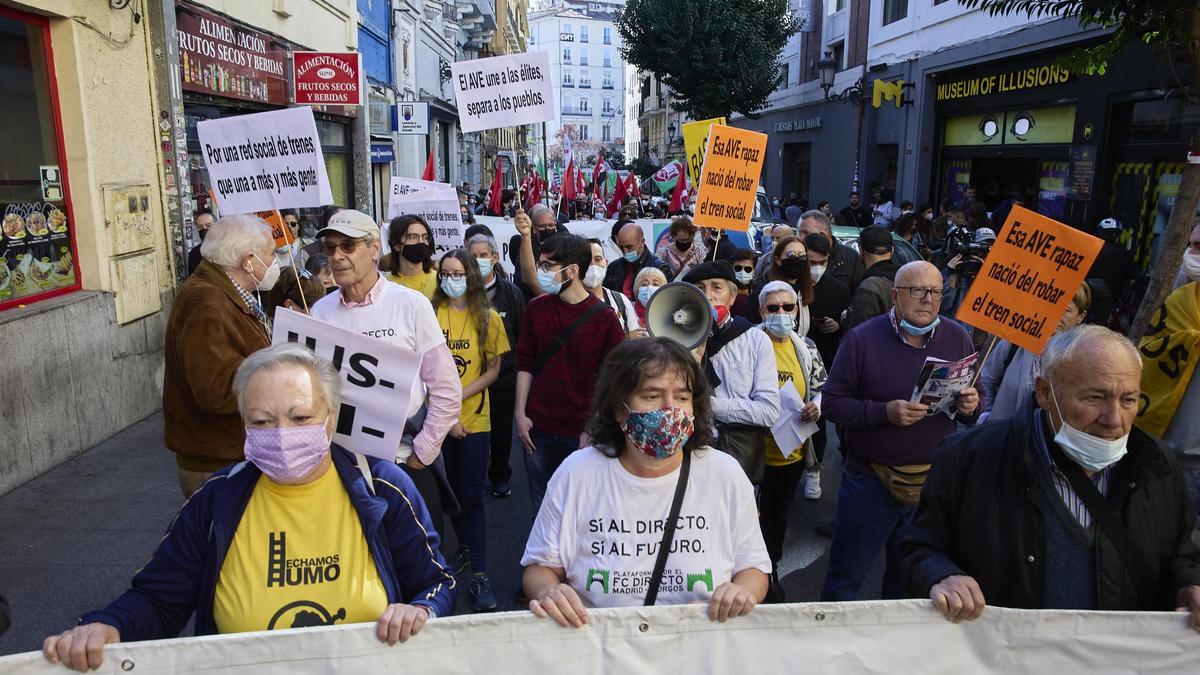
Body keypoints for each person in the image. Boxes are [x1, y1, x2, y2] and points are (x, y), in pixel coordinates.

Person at [42, 344, 457, 672]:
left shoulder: (383, 489)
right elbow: (158, 599)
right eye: (261, 421)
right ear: (243, 424)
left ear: (330, 419)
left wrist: (421, 608)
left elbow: (436, 581)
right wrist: (107, 625)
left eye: (299, 417)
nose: (281, 434)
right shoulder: (217, 500)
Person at [902, 326, 1200, 628]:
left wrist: (1188, 583)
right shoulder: (970, 457)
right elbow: (919, 546)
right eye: (1095, 397)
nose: (1114, 419)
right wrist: (940, 576)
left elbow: (1183, 554)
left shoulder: (1157, 465)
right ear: (1045, 392)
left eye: (1128, 400)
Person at [520, 338, 771, 625]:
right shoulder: (578, 473)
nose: (670, 410)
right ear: (618, 408)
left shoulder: (724, 474)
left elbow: (754, 568)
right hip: (603, 649)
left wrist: (740, 592)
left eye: (682, 397)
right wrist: (549, 591)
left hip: (699, 649)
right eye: (652, 396)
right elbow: (540, 567)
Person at [820, 261, 979, 601]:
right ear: (894, 295)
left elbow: (969, 411)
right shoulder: (862, 339)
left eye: (935, 292)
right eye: (916, 290)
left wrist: (971, 406)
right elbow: (832, 404)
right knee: (846, 579)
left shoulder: (957, 337)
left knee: (908, 582)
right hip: (870, 482)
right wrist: (883, 413)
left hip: (930, 484)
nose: (926, 299)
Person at [311, 209, 461, 532]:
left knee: (418, 567)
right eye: (330, 248)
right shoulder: (320, 312)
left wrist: (421, 453)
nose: (337, 256)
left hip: (405, 465)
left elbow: (446, 387)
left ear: (374, 248)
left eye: (348, 246)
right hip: (344, 469)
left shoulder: (410, 305)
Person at [164, 214, 276, 498]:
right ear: (248, 261)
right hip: (218, 460)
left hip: (226, 454)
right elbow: (215, 390)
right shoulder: (208, 303)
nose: (275, 262)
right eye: (271, 254)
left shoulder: (220, 293)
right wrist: (277, 378)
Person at [515, 233, 626, 515]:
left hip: (583, 432)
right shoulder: (535, 310)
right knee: (543, 511)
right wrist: (520, 414)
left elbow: (612, 380)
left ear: (572, 270)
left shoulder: (605, 318)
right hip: (538, 429)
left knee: (583, 511)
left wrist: (594, 426)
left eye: (547, 266)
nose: (541, 272)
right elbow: (525, 363)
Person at [431, 250, 510, 612]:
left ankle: (480, 574)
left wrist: (457, 397)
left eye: (458, 272)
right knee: (444, 498)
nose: (451, 279)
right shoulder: (429, 315)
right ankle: (454, 554)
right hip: (434, 422)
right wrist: (445, 411)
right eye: (445, 273)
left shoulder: (488, 318)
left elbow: (493, 370)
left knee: (471, 495)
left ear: (472, 276)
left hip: (474, 421)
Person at [683, 262, 781, 485]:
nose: (708, 295)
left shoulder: (755, 340)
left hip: (738, 454)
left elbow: (768, 411)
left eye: (716, 287)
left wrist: (709, 405)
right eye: (699, 288)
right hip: (689, 454)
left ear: (732, 297)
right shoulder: (677, 339)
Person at [757, 282, 827, 589]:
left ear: (797, 310)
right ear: (762, 311)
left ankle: (770, 572)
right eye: (773, 308)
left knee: (775, 518)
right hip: (753, 452)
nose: (782, 313)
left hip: (791, 452)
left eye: (788, 307)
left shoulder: (807, 347)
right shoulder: (748, 343)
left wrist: (816, 407)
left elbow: (822, 387)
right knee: (746, 518)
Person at [1137, 259, 1200, 513]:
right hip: (1169, 451)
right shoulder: (1180, 301)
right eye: (1192, 245)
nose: (1191, 254)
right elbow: (1149, 354)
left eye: (1199, 247)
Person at [467, 234, 525, 499]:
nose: (479, 261)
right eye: (473, 256)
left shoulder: (510, 293)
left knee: (501, 432)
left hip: (503, 376)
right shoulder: (460, 293)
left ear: (494, 257)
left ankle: (500, 475)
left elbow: (520, 333)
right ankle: (472, 478)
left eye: (483, 255)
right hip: (470, 375)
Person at [980, 283, 1091, 423]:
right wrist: (985, 418)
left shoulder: (1082, 357)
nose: (1056, 316)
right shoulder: (1015, 341)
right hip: (999, 436)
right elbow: (985, 380)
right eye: (1053, 307)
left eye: (1066, 310)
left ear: (1080, 316)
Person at [747, 235, 814, 326]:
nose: (797, 259)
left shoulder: (804, 290)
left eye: (802, 256)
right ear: (778, 259)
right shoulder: (764, 290)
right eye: (791, 255)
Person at [843, 226, 900, 332]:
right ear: (892, 251)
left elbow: (858, 334)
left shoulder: (869, 287)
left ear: (861, 251)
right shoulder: (905, 279)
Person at [1086, 217, 1138, 325]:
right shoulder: (1123, 252)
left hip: (1087, 294)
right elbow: (1132, 274)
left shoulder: (1090, 248)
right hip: (1111, 299)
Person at [584, 238, 640, 337]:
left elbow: (633, 340)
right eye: (586, 261)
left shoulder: (620, 300)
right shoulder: (569, 304)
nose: (593, 265)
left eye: (598, 259)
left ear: (605, 263)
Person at [510, 204, 568, 298]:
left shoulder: (564, 243)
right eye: (542, 226)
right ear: (534, 227)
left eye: (551, 225)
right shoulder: (525, 245)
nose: (547, 229)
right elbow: (525, 279)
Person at [799, 210, 865, 291]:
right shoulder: (799, 254)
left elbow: (859, 292)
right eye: (800, 232)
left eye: (805, 233)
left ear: (823, 234)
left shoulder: (851, 257)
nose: (800, 237)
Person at [604, 222, 670, 297]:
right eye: (621, 247)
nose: (625, 251)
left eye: (629, 247)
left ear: (642, 242)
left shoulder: (660, 268)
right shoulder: (613, 267)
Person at [940, 227, 994, 318]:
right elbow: (943, 306)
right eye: (982, 246)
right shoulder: (958, 268)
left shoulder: (999, 273)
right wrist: (952, 274)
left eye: (990, 246)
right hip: (963, 329)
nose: (986, 250)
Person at [385, 215, 437, 301]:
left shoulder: (440, 282)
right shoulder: (385, 285)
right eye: (413, 237)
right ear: (397, 245)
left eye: (425, 237)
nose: (421, 241)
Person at [185, 208, 216, 275]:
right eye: (200, 226)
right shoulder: (194, 254)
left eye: (208, 225)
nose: (204, 228)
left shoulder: (228, 249)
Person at [730, 248, 757, 318]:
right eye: (738, 268)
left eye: (748, 269)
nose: (742, 272)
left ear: (754, 270)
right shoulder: (727, 290)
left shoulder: (757, 291)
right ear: (732, 268)